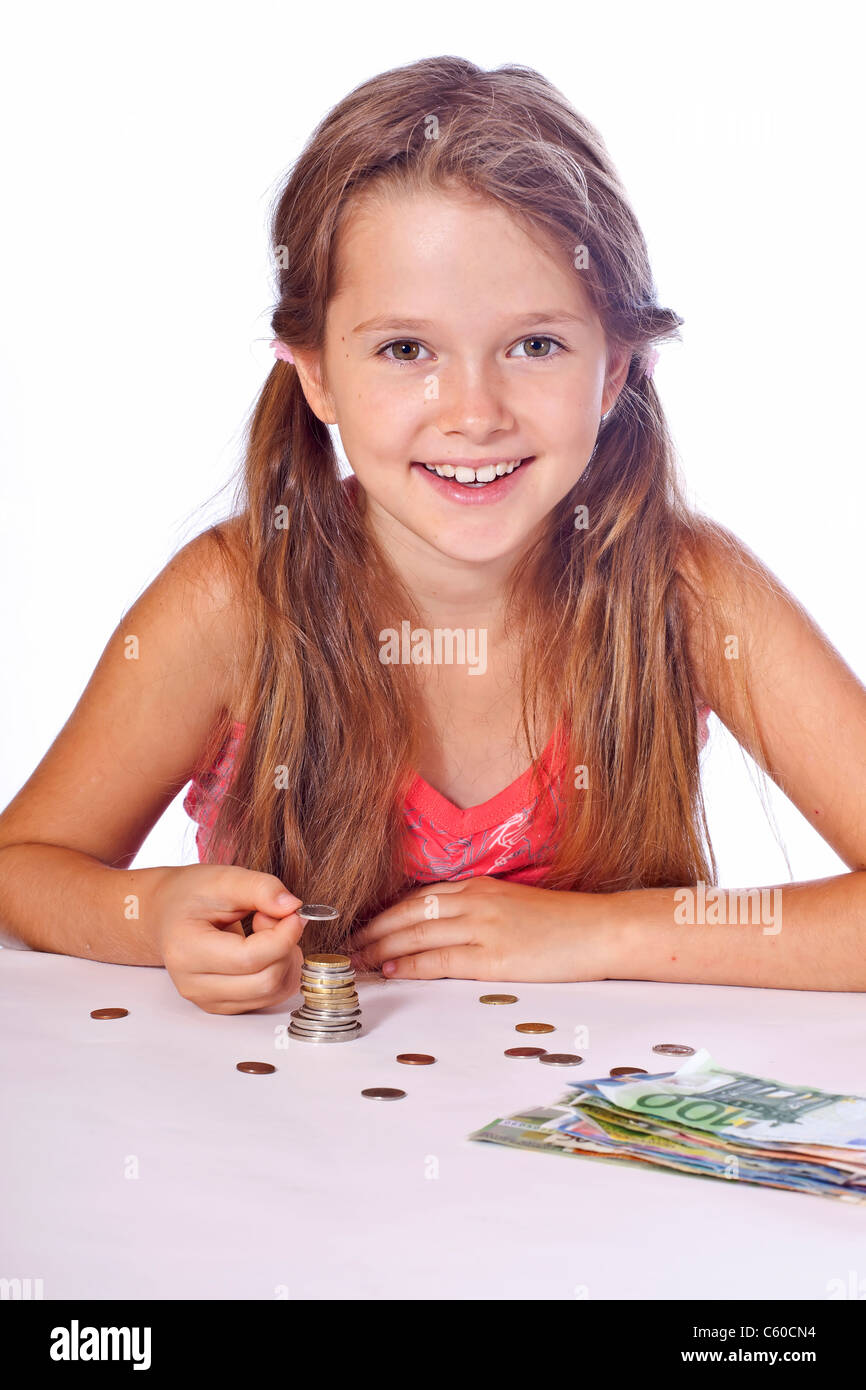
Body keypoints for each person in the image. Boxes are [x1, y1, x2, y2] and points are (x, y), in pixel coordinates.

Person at [1, 56, 864, 1010]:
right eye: (406, 350)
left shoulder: (690, 593)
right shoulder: (233, 601)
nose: (474, 412)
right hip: (285, 1146)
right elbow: (24, 867)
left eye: (535, 345)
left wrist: (599, 932)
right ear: (316, 373)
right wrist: (153, 914)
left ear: (615, 370)